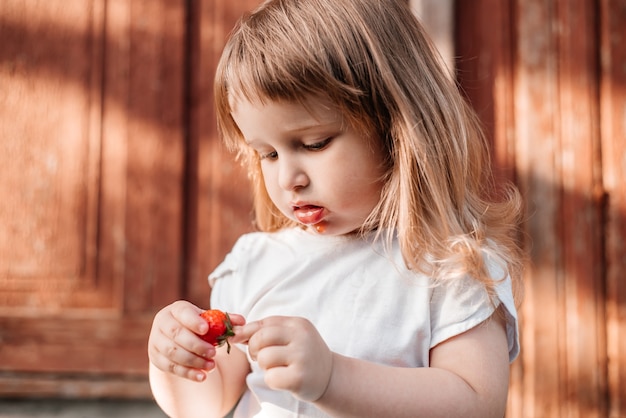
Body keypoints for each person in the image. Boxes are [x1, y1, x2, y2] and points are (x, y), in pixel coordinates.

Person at [148, 0, 525, 417]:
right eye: (267, 154)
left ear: (395, 126)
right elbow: (206, 406)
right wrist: (174, 360)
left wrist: (332, 379)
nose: (288, 178)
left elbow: (477, 404)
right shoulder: (254, 263)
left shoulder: (450, 265)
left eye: (313, 144)